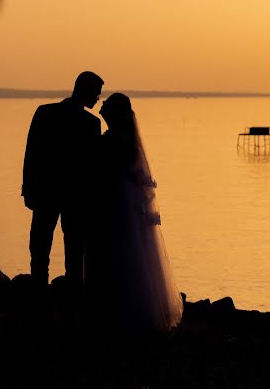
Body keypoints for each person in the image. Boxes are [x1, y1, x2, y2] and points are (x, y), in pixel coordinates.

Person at [87, 93, 183, 333]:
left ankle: (119, 312)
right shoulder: (125, 139)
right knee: (129, 251)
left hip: (115, 202)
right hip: (122, 201)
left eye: (106, 105)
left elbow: (105, 170)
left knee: (119, 252)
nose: (102, 107)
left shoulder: (114, 140)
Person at [22, 71, 104, 298]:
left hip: (52, 195)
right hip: (69, 198)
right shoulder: (90, 124)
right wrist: (28, 189)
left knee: (43, 253)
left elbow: (32, 154)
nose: (98, 98)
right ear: (84, 90)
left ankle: (43, 303)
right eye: (96, 93)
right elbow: (33, 153)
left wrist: (28, 188)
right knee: (70, 255)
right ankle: (66, 306)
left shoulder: (46, 113)